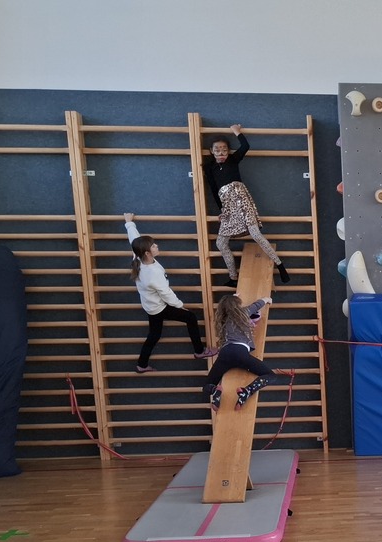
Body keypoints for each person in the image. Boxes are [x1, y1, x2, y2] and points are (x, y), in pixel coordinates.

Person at [123, 214, 217, 373]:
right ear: (147, 253)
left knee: (154, 334)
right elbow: (166, 294)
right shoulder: (152, 274)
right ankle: (199, 351)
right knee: (190, 317)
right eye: (153, 246)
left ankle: (142, 364)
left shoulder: (138, 257)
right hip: (158, 307)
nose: (156, 246)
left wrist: (129, 223)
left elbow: (134, 239)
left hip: (150, 305)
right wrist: (180, 306)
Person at [202, 124, 290, 287]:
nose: (221, 153)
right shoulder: (209, 167)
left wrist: (237, 132)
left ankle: (280, 265)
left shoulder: (233, 160)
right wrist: (222, 209)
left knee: (256, 234)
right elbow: (214, 190)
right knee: (220, 243)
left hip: (241, 200)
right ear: (211, 151)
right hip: (227, 204)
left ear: (228, 151)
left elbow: (245, 146)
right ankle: (233, 277)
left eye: (224, 150)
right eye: (217, 150)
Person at [203, 294, 277, 410]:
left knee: (207, 385)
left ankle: (215, 392)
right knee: (271, 376)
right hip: (240, 352)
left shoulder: (222, 321)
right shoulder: (242, 313)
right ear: (237, 305)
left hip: (225, 354)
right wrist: (266, 299)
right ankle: (247, 391)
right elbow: (256, 305)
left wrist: (232, 297)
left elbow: (227, 305)